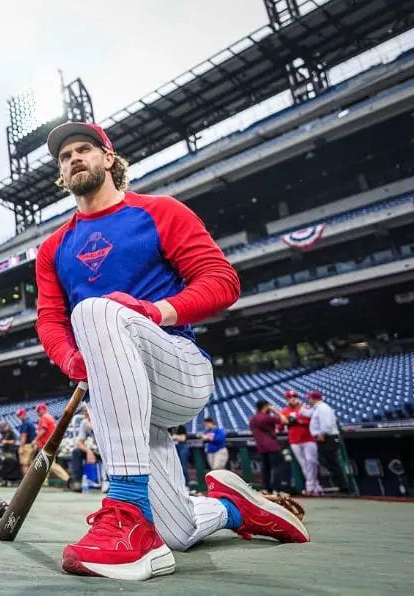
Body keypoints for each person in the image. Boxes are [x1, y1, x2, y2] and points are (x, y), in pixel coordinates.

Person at [34, 122, 308, 580]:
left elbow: (222, 281)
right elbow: (49, 320)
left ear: (108, 158)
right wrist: (70, 358)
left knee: (95, 312)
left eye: (84, 149)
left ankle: (126, 513)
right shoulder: (53, 247)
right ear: (61, 174)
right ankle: (232, 509)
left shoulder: (160, 211)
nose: (73, 158)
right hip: (122, 395)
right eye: (64, 157)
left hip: (179, 371)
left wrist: (152, 310)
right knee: (178, 531)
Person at [282, 390, 321, 495]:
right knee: (304, 465)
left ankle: (312, 486)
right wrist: (286, 421)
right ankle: (314, 487)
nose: (292, 399)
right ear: (286, 399)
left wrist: (299, 421)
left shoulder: (305, 409)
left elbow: (313, 422)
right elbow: (280, 426)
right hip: (294, 440)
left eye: (294, 397)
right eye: (289, 397)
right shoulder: (285, 411)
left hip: (308, 438)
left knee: (312, 462)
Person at [307, 390, 347, 493]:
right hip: (326, 437)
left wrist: (322, 433)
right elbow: (307, 414)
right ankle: (341, 486)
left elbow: (326, 424)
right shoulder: (317, 408)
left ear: (314, 398)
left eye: (310, 398)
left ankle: (343, 487)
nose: (308, 400)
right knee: (330, 462)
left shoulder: (323, 408)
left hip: (328, 437)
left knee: (332, 463)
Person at [250, 400, 289, 493]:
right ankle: (277, 489)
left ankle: (265, 489)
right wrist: (275, 410)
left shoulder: (253, 418)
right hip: (272, 445)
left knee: (265, 468)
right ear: (265, 406)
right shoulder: (267, 417)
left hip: (261, 446)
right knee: (276, 467)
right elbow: (285, 420)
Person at [34, 403, 71, 485]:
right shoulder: (50, 417)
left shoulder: (44, 417)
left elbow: (43, 430)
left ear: (43, 409)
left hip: (48, 445)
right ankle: (44, 482)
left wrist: (35, 440)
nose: (37, 412)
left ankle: (67, 478)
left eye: (38, 410)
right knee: (44, 464)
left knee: (50, 464)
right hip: (52, 443)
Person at [16, 408, 37, 474]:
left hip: (27, 446)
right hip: (33, 445)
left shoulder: (25, 423)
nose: (19, 417)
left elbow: (24, 436)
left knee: (25, 464)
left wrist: (21, 447)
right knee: (30, 464)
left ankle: (26, 483)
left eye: (19, 415)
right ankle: (32, 482)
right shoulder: (31, 422)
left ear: (23, 414)